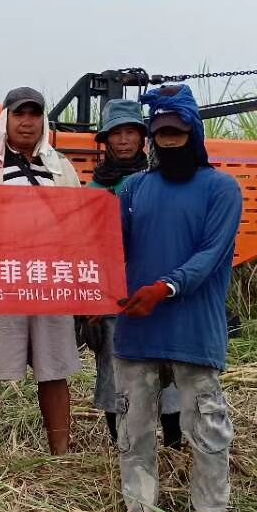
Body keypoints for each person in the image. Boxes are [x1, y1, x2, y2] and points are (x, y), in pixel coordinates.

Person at [114, 84, 243, 512]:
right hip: (137, 327)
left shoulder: (222, 189)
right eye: (161, 133)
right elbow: (109, 247)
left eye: (177, 132)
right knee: (133, 429)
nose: (169, 140)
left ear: (195, 134)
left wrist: (165, 288)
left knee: (207, 428)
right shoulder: (132, 189)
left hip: (193, 327)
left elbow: (212, 253)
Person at [0, 87, 82, 460]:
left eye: (34, 114)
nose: (26, 122)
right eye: (19, 114)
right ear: (6, 119)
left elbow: (79, 226)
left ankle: (60, 454)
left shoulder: (61, 167)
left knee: (54, 368)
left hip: (51, 283)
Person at [83, 98, 181, 448]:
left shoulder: (162, 182)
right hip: (112, 294)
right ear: (106, 141)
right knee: (112, 368)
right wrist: (89, 301)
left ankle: (172, 442)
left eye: (131, 132)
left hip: (155, 290)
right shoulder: (93, 191)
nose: (123, 140)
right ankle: (120, 442)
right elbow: (86, 248)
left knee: (168, 366)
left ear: (143, 139)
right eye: (116, 134)